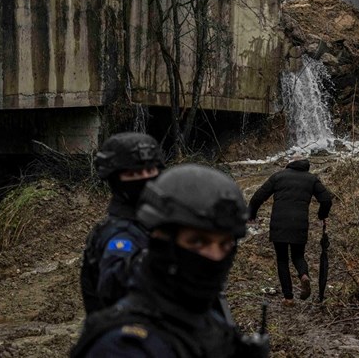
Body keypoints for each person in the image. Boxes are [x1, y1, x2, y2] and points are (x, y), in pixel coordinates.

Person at [71, 164, 269, 358]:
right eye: (198, 241)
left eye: (225, 245)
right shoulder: (126, 346)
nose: (215, 256)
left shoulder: (205, 318)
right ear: (160, 240)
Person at [80, 132, 163, 315]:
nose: (145, 178)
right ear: (115, 178)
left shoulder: (152, 223)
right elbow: (116, 285)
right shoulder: (119, 234)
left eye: (150, 171)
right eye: (133, 173)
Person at [248, 154, 333, 307]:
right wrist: (322, 215)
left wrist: (251, 215)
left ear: (290, 163)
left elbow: (257, 197)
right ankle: (304, 275)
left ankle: (288, 298)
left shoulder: (278, 177)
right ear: (305, 164)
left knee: (282, 259)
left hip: (279, 224)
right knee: (298, 256)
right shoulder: (311, 179)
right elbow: (326, 199)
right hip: (299, 224)